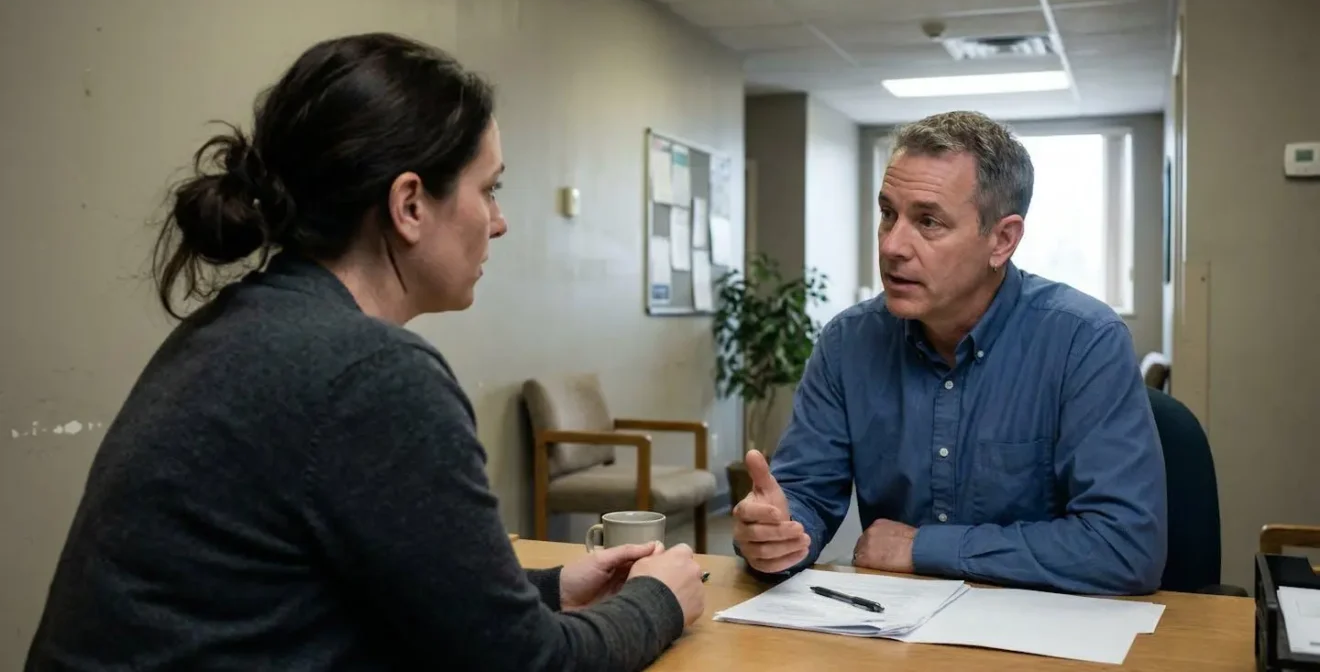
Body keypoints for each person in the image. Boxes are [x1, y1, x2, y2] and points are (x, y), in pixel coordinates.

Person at [26, 33, 704, 671]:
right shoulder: (369, 373)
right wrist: (660, 600)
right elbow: (526, 664)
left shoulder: (241, 326)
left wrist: (550, 587)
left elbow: (375, 579)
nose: (499, 221)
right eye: (489, 188)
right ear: (410, 204)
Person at [731, 111, 1167, 596]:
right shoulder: (846, 343)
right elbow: (806, 496)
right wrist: (777, 532)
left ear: (1001, 240)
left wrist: (924, 548)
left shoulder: (1084, 341)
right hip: (893, 634)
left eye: (929, 221)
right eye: (887, 214)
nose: (893, 245)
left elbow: (1125, 546)